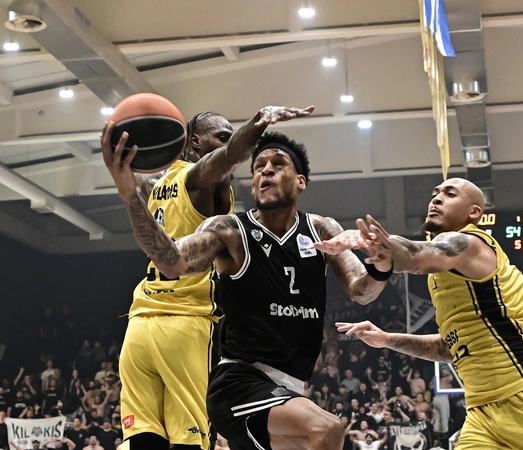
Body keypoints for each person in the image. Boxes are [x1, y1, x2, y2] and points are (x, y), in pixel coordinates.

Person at [102, 128, 395, 450]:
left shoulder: (322, 229)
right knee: (328, 429)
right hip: (240, 383)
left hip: (289, 388)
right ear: (253, 184)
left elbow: (362, 291)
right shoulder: (229, 230)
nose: (266, 170)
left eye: (278, 164)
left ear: (300, 181)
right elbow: (170, 261)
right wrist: (131, 197)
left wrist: (381, 266)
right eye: (258, 167)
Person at [316, 177, 523, 450]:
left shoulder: (470, 243)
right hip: (481, 412)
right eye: (435, 193)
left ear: (474, 212)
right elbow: (450, 347)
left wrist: (377, 242)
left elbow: (414, 253)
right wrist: (387, 339)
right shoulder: (444, 277)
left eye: (450, 194)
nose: (437, 198)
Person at [104, 105, 313, 450]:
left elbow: (136, 178)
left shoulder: (156, 183)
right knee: (192, 440)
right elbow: (231, 155)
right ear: (195, 142)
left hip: (140, 324)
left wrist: (120, 144)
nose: (228, 143)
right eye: (221, 136)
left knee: (143, 437)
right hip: (187, 325)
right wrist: (259, 121)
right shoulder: (198, 178)